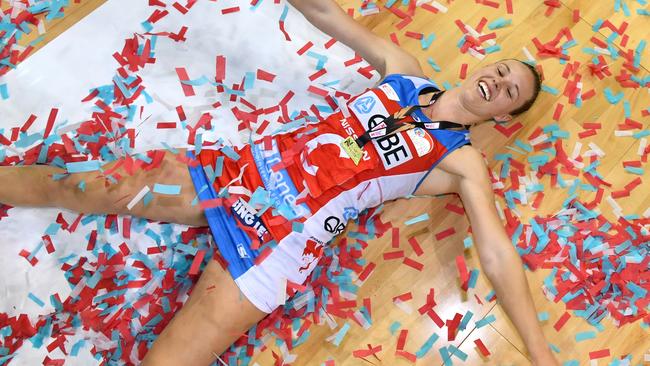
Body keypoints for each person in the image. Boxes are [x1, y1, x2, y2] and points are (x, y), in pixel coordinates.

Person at [0, 0, 561, 365]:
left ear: (505, 118)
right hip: (232, 176)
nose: (498, 83)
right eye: (502, 70)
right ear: (484, 63)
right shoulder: (403, 69)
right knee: (84, 186)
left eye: (511, 92)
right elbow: (325, 13)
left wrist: (539, 353)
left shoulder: (461, 162)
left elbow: (495, 250)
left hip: (276, 248)